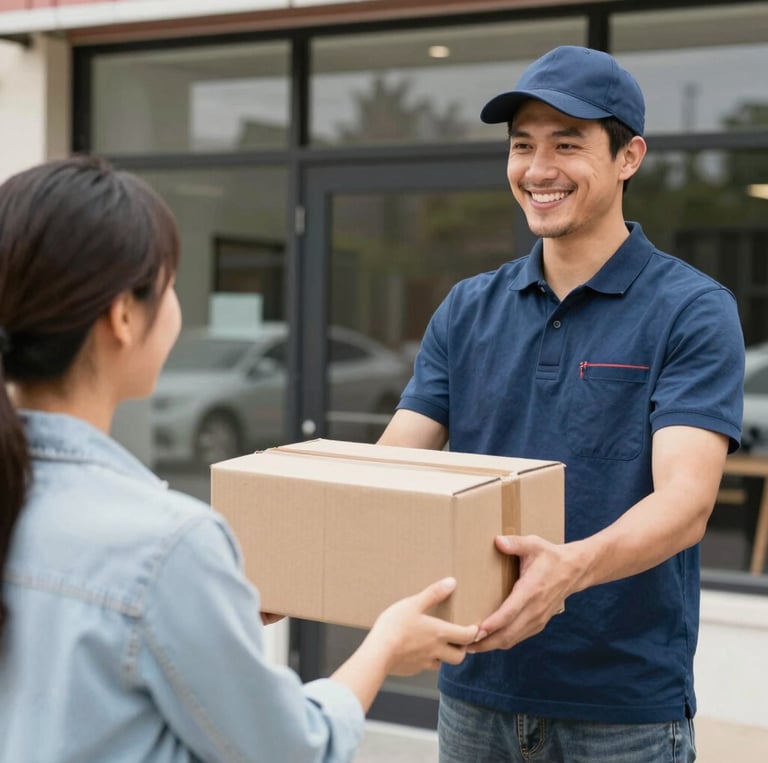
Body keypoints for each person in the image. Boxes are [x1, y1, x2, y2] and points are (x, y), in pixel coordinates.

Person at [0, 155, 479, 763]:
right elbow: (292, 749)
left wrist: (218, 608)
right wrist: (384, 646)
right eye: (170, 283)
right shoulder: (166, 546)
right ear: (123, 315)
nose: (175, 305)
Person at [379, 45, 744, 762]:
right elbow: (391, 467)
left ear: (628, 157)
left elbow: (687, 501)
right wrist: (285, 560)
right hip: (474, 687)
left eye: (567, 144)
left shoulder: (692, 310)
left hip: (622, 707)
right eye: (522, 146)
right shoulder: (467, 308)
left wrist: (569, 569)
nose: (538, 170)